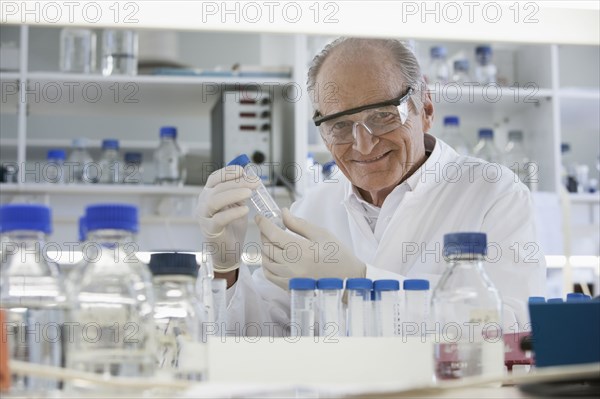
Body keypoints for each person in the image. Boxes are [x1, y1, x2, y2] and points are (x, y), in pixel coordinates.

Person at [196, 37, 546, 337]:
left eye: (382, 116)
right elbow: (261, 336)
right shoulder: (312, 210)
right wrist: (226, 269)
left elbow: (512, 330)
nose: (363, 145)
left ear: (424, 106)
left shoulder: (493, 194)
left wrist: (358, 281)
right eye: (339, 125)